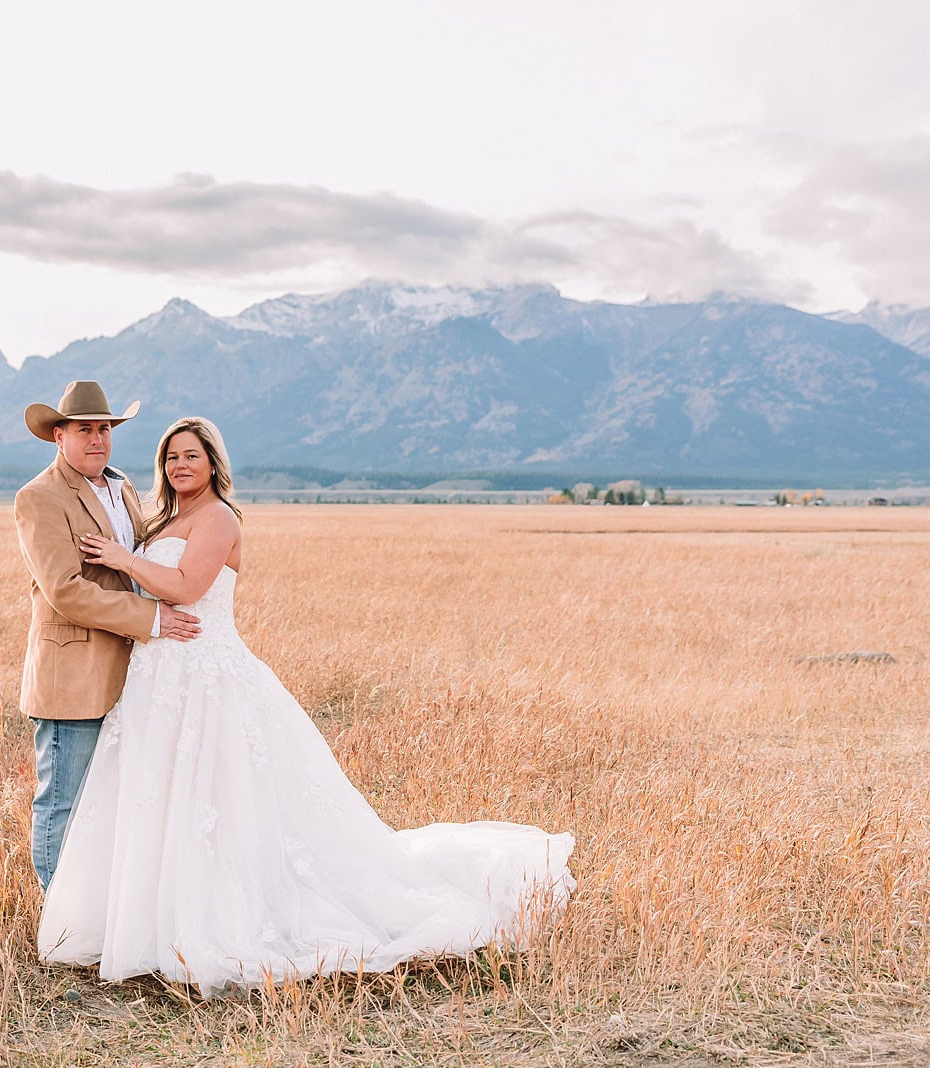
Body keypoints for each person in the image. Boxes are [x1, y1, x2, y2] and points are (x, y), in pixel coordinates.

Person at [38, 417, 575, 995]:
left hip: (207, 676)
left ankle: (218, 921)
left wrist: (122, 559)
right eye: (171, 457)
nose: (180, 466)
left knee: (219, 800)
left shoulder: (218, 517)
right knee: (159, 798)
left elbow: (188, 587)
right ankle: (147, 922)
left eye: (192, 455)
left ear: (213, 463)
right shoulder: (163, 519)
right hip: (158, 679)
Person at [14, 381, 202, 891]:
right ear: (59, 436)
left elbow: (135, 564)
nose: (97, 439)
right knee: (64, 801)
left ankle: (96, 908)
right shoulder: (40, 497)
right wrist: (152, 618)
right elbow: (66, 591)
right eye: (84, 430)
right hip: (72, 677)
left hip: (131, 674)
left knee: (110, 802)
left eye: (104, 429)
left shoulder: (122, 488)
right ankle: (57, 917)